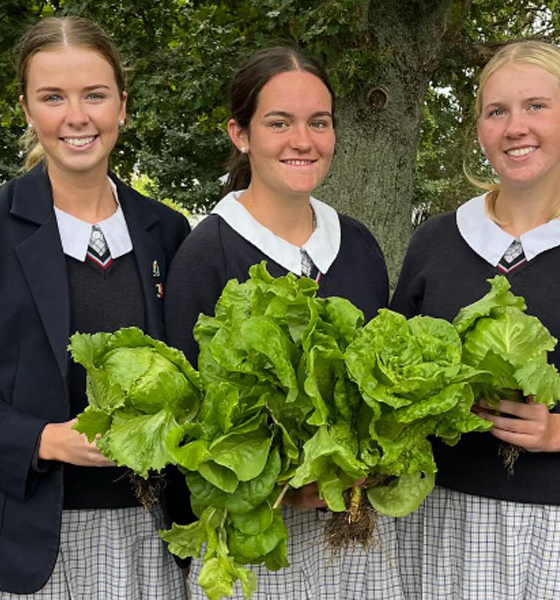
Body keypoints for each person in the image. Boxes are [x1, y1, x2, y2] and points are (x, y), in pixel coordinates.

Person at [0, 16, 189, 599]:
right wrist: (46, 440)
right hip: (21, 544)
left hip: (147, 537)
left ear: (123, 106)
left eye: (94, 95)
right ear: (27, 111)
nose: (76, 116)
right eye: (53, 97)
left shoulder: (167, 231)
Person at [390, 40, 560, 599]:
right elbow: (393, 368)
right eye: (497, 111)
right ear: (480, 131)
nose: (515, 127)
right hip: (442, 519)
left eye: (536, 106)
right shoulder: (436, 242)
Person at [163, 46, 408, 599]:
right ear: (241, 134)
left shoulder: (358, 245)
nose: (303, 140)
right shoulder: (207, 254)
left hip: (358, 536)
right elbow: (192, 422)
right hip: (254, 545)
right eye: (279, 123)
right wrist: (279, 485)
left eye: (318, 122)